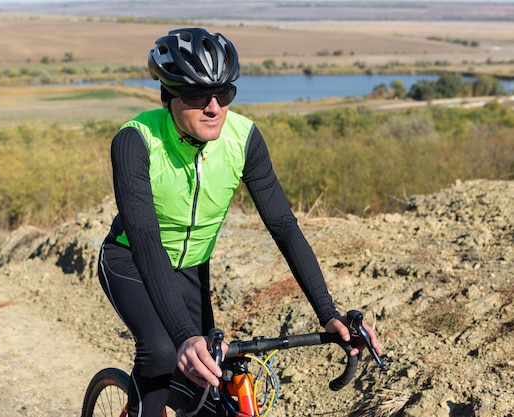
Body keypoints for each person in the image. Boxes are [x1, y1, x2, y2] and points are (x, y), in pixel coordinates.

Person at [98, 27, 382, 417]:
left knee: (211, 380)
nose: (213, 107)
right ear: (168, 94)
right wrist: (182, 336)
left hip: (191, 269)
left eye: (224, 93)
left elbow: (283, 225)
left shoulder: (243, 138)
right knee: (163, 353)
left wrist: (328, 312)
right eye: (197, 95)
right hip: (130, 260)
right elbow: (146, 239)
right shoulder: (136, 140)